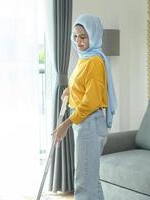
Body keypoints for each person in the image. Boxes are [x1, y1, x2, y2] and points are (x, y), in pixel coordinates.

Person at [52, 14, 117, 200]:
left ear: (94, 35)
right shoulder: (85, 58)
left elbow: (91, 101)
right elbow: (83, 89)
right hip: (85, 123)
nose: (78, 41)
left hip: (89, 123)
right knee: (91, 181)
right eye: (75, 36)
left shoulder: (95, 61)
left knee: (83, 183)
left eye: (83, 36)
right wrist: (69, 92)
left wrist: (65, 124)